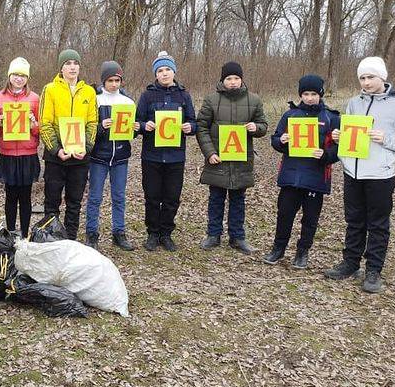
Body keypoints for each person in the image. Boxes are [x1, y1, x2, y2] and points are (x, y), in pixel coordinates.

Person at [325, 57, 395, 293]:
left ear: (382, 77)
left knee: (377, 224)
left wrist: (385, 138)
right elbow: (349, 133)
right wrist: (339, 136)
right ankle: (350, 263)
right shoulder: (353, 103)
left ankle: (373, 271)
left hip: (380, 174)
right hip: (353, 172)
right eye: (362, 78)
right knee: (354, 220)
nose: (366, 82)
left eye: (371, 77)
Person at [263, 75, 340, 269]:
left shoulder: (332, 118)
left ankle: (302, 252)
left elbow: (340, 150)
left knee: (310, 219)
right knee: (285, 214)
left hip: (316, 177)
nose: (310, 97)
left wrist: (325, 154)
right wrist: (281, 141)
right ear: (300, 95)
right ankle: (278, 249)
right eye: (306, 94)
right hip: (291, 175)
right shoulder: (290, 115)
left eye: (314, 94)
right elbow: (275, 139)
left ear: (320, 94)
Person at [196, 61, 268, 254]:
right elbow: (201, 127)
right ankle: (213, 235)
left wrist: (256, 128)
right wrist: (210, 153)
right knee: (216, 198)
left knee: (238, 200)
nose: (233, 82)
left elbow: (263, 125)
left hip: (241, 160)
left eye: (236, 78)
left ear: (242, 79)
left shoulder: (254, 100)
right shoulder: (211, 100)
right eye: (229, 78)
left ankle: (237, 237)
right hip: (218, 159)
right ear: (223, 80)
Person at [135, 51, 196, 251]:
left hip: (175, 157)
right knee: (152, 196)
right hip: (151, 155)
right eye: (160, 70)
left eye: (168, 69)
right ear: (156, 74)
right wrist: (145, 126)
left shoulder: (184, 95)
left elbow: (193, 122)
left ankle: (166, 233)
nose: (164, 73)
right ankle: (152, 233)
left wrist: (190, 127)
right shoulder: (147, 95)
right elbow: (136, 123)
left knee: (171, 197)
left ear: (174, 71)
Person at [38, 49, 98, 240]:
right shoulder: (50, 89)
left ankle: (70, 240)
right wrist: (56, 149)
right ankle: (51, 240)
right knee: (52, 201)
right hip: (56, 158)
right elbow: (45, 122)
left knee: (75, 202)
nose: (72, 67)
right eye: (68, 63)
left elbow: (92, 123)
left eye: (75, 63)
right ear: (61, 67)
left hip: (80, 159)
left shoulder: (89, 91)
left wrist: (86, 148)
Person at [85, 60, 140, 251]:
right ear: (103, 81)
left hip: (121, 157)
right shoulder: (95, 100)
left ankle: (119, 233)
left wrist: (135, 129)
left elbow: (131, 134)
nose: (114, 84)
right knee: (95, 197)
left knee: (119, 196)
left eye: (117, 80)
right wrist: (102, 127)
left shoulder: (128, 102)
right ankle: (91, 233)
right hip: (99, 156)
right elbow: (90, 129)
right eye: (110, 80)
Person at [0, 57, 40, 238]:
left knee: (26, 197)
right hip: (8, 154)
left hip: (28, 153)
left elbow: (41, 129)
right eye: (16, 74)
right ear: (9, 75)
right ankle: (11, 234)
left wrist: (33, 124)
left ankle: (25, 234)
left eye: (23, 75)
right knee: (10, 196)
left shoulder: (35, 98)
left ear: (27, 78)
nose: (19, 78)